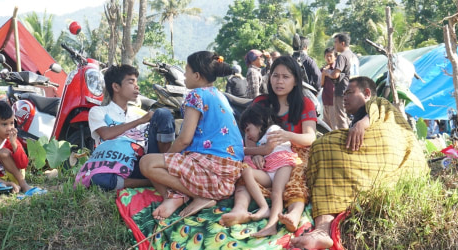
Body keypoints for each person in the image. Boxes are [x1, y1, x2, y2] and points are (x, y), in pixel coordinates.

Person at [290, 77, 428, 250]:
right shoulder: (357, 118)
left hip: (392, 153)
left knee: (323, 145)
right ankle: (324, 227)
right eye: (344, 93)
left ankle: (323, 228)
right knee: (324, 145)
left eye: (349, 92)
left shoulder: (379, 104)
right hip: (375, 161)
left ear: (367, 93)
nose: (345, 97)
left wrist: (364, 123)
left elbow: (379, 108)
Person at [140, 51, 245, 220]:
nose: (184, 75)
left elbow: (184, 139)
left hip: (213, 169)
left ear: (196, 76)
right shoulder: (219, 95)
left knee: (147, 163)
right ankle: (179, 197)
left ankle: (181, 197)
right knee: (168, 162)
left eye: (186, 71)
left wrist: (165, 157)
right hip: (229, 173)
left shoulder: (196, 95)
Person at [220, 55, 318, 232]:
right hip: (264, 155)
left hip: (294, 154)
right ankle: (239, 210)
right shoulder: (261, 102)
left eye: (285, 77)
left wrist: (287, 136)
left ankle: (293, 215)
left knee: (296, 179)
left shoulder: (305, 104)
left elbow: (310, 138)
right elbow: (249, 137)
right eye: (275, 76)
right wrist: (257, 153)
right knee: (244, 174)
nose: (279, 81)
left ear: (295, 80)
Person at [74, 64, 175, 191]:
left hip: (143, 162)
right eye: (131, 82)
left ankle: (164, 168)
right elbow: (105, 134)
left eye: (136, 82)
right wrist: (139, 121)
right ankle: (152, 181)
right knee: (98, 179)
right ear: (116, 87)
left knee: (163, 113)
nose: (137, 86)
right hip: (114, 164)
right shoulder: (99, 111)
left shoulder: (139, 114)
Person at [239, 104, 301, 237]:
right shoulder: (257, 142)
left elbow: (267, 149)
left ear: (259, 123)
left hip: (282, 165)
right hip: (268, 171)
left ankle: (272, 225)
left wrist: (244, 150)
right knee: (246, 171)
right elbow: (260, 151)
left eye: (248, 129)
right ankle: (264, 207)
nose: (247, 135)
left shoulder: (273, 130)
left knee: (277, 192)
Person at [323, 33, 359, 129]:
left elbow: (335, 75)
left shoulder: (342, 56)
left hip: (342, 91)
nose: (334, 45)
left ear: (342, 43)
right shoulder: (353, 56)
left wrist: (327, 73)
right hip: (354, 90)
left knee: (341, 117)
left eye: (336, 42)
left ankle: (343, 141)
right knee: (349, 118)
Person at [321, 47, 338, 129]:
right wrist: (324, 73)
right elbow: (321, 84)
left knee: (334, 126)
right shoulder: (323, 69)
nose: (328, 58)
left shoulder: (337, 70)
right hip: (325, 100)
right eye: (327, 56)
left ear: (335, 57)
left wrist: (328, 73)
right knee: (326, 126)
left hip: (334, 101)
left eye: (331, 56)